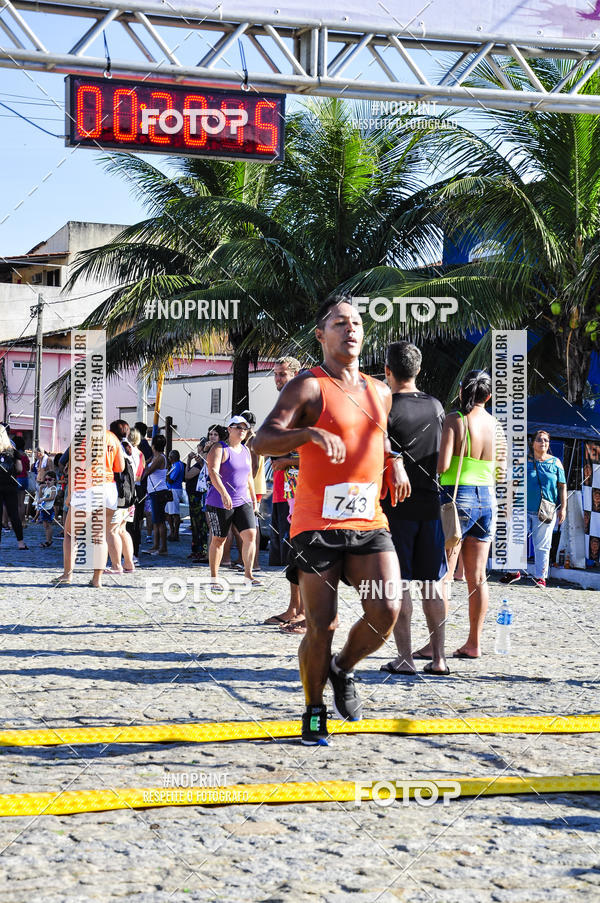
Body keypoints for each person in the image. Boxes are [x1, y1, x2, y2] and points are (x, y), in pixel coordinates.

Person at [253, 297, 410, 745]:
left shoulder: (381, 391)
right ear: (321, 335)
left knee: (386, 608)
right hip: (315, 524)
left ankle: (343, 668)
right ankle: (314, 709)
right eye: (340, 323)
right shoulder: (307, 387)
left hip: (367, 520)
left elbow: (376, 437)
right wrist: (307, 433)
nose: (351, 329)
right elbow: (263, 439)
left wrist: (394, 460)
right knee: (321, 624)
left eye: (357, 322)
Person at [378, 341, 449, 677]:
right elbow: (443, 461)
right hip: (431, 504)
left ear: (387, 371)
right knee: (433, 584)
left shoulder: (384, 407)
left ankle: (405, 658)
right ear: (418, 370)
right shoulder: (436, 406)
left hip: (396, 506)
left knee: (401, 583)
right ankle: (439, 659)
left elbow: (376, 450)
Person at [438, 370, 506, 659]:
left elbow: (441, 466)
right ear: (488, 396)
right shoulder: (496, 425)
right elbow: (501, 471)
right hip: (487, 499)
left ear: (463, 390)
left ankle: (435, 644)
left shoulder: (456, 420)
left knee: (444, 574)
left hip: (457, 497)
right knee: (477, 577)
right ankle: (473, 643)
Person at [263, 357, 307, 629]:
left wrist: (286, 460)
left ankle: (303, 611)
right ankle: (294, 607)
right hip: (283, 488)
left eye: (282, 375)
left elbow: (315, 453)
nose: (278, 380)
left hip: (300, 491)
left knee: (301, 552)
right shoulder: (287, 407)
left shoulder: (303, 408)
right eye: (276, 375)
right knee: (292, 552)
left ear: (296, 374)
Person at [52, 430, 124, 587]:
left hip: (87, 486)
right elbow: (120, 467)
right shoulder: (112, 437)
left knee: (71, 534)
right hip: (108, 488)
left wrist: (70, 494)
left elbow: (73, 468)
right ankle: (97, 579)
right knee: (100, 535)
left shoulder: (81, 437)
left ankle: (67, 575)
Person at [205, 416, 259, 587]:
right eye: (238, 427)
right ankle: (214, 578)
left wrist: (253, 497)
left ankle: (248, 575)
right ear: (229, 429)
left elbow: (249, 476)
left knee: (250, 534)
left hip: (243, 500)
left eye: (245, 428)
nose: (242, 430)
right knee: (219, 539)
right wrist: (223, 493)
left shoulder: (245, 450)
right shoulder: (220, 448)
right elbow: (213, 472)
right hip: (219, 501)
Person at [524, 431, 566, 587]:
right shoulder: (523, 461)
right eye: (540, 440)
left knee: (542, 545)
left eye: (546, 440)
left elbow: (562, 486)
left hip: (546, 510)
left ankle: (541, 577)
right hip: (522, 508)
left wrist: (563, 508)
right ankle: (513, 571)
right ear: (533, 443)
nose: (543, 442)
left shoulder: (555, 463)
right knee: (516, 540)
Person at [0, 425, 28, 551]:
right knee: (14, 514)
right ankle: (20, 543)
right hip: (10, 486)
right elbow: (20, 469)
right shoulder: (12, 451)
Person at [142, 434, 169, 556]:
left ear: (153, 445)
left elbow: (148, 471)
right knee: (156, 520)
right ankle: (156, 545)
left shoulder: (159, 458)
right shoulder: (156, 457)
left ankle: (162, 547)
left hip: (158, 491)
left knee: (160, 521)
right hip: (154, 491)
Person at [166, 450, 185, 541]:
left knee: (174, 513)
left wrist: (166, 474)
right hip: (171, 489)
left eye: (170, 456)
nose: (169, 458)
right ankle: (172, 531)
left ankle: (175, 533)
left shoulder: (177, 465)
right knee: (169, 512)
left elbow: (171, 480)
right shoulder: (176, 465)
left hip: (174, 489)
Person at [37, 470, 58, 547]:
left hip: (49, 509)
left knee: (48, 526)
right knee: (45, 526)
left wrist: (43, 499)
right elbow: (40, 496)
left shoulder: (53, 488)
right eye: (46, 480)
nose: (47, 481)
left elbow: (52, 498)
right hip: (44, 508)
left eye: (49, 479)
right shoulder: (46, 488)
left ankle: (49, 540)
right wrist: (40, 489)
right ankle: (47, 540)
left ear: (54, 480)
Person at [12, 436, 30, 525]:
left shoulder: (13, 454)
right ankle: (23, 521)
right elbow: (28, 468)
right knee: (21, 503)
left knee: (14, 502)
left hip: (16, 478)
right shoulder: (25, 455)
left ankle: (15, 522)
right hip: (24, 478)